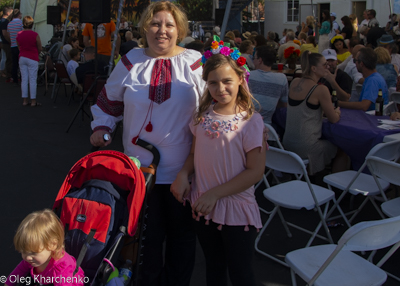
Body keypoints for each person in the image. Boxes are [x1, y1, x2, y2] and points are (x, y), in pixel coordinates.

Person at [89, 2, 205, 285]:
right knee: (145, 242)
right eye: (155, 24)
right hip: (139, 173)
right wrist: (102, 128)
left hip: (183, 174)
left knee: (182, 240)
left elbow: (216, 104)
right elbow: (108, 102)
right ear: (145, 28)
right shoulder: (130, 61)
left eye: (169, 24)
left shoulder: (195, 62)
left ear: (179, 29)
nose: (161, 30)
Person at [170, 51, 266, 286]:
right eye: (213, 82)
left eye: (227, 81)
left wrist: (215, 193)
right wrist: (183, 174)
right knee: (214, 269)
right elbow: (194, 153)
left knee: (241, 274)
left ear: (241, 80)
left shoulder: (251, 121)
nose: (220, 88)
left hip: (235, 210)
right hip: (204, 207)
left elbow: (255, 171)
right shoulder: (202, 116)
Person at [283, 51, 342, 175]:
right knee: (343, 148)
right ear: (314, 68)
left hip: (287, 144)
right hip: (307, 148)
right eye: (325, 64)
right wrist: (337, 112)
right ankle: (336, 188)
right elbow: (334, 119)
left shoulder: (294, 82)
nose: (328, 67)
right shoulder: (321, 90)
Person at [5, 209, 85, 286]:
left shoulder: (62, 267)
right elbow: (17, 274)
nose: (28, 257)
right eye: (24, 252)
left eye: (33, 252)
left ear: (52, 245)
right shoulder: (31, 259)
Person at [339, 47, 389, 111]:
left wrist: (339, 103)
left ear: (361, 64)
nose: (354, 64)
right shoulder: (374, 77)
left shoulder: (372, 81)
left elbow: (364, 106)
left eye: (355, 61)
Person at [249, 45, 288, 124]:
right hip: (268, 125)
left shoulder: (248, 76)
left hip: (247, 122)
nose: (253, 61)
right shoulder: (282, 78)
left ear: (260, 60)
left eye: (254, 58)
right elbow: (284, 104)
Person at [16, 16, 41, 107]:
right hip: (33, 57)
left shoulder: (19, 34)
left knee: (24, 79)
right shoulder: (35, 35)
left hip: (22, 57)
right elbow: (39, 47)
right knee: (33, 79)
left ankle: (25, 100)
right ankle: (33, 101)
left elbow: (18, 45)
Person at [7, 9, 23, 85]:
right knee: (21, 63)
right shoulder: (21, 23)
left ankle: (15, 78)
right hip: (20, 46)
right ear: (19, 15)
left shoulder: (9, 24)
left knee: (14, 63)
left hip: (13, 45)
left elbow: (9, 34)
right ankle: (22, 78)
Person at [0, 7, 13, 80]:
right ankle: (5, 73)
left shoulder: (2, 21)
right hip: (6, 42)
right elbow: (5, 33)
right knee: (7, 58)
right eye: (11, 13)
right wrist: (10, 41)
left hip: (3, 41)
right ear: (8, 13)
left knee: (4, 57)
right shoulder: (5, 22)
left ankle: (3, 71)